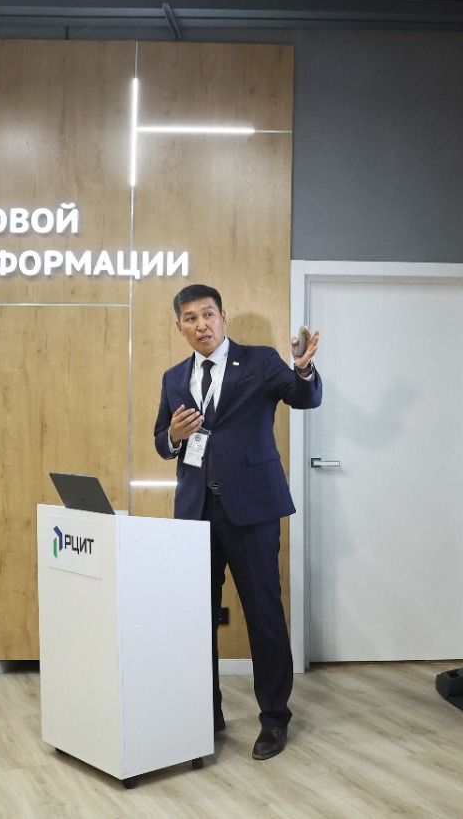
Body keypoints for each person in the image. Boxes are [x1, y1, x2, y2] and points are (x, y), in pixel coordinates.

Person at [153, 283, 321, 761]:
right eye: (190, 318)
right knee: (197, 620)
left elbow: (304, 398)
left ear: (223, 317)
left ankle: (274, 719)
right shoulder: (173, 377)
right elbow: (161, 441)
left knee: (264, 616)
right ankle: (206, 713)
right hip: (196, 514)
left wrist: (303, 369)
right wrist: (173, 435)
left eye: (208, 314)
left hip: (252, 510)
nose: (201, 325)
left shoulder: (261, 361)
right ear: (180, 327)